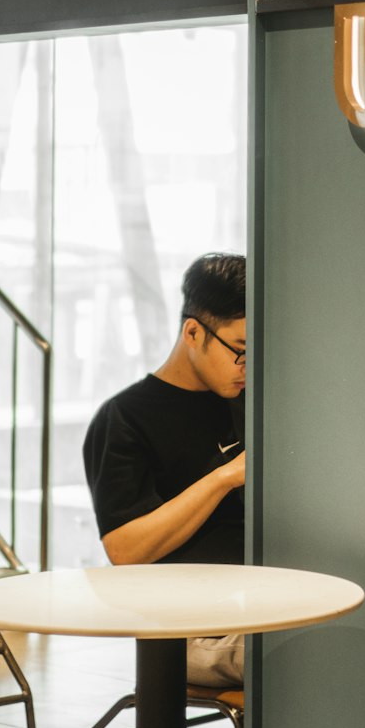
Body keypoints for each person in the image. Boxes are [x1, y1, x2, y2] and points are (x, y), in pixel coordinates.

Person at [83, 252, 247, 686]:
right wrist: (225, 477)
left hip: (264, 604)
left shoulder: (250, 402)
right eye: (241, 352)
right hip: (186, 631)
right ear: (194, 332)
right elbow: (125, 550)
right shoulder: (125, 418)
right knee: (306, 652)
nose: (248, 368)